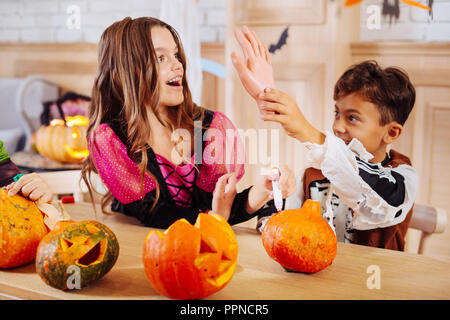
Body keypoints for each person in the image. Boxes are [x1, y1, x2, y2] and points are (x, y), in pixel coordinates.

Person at [81, 17, 295, 229]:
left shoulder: (211, 129)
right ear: (121, 76)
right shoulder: (111, 140)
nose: (177, 65)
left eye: (175, 55)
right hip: (139, 247)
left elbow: (217, 209)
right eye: (160, 58)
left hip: (197, 248)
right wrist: (216, 217)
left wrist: (259, 193)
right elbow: (156, 215)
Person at [233, 29, 418, 250]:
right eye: (337, 113)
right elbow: (272, 225)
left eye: (352, 118)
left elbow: (380, 201)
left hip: (374, 282)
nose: (338, 126)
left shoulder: (402, 178)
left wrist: (308, 133)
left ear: (391, 133)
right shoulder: (314, 173)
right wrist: (276, 195)